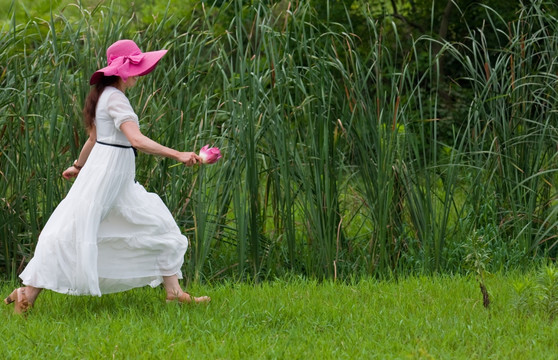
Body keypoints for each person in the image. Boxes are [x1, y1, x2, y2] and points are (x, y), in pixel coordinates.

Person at [4, 39, 210, 314]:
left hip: (111, 174)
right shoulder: (115, 99)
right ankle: (26, 292)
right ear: (123, 70)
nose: (138, 73)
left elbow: (93, 138)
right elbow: (135, 140)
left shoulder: (106, 96)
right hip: (108, 174)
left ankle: (174, 292)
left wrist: (77, 166)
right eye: (135, 66)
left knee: (152, 223)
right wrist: (179, 154)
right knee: (77, 230)